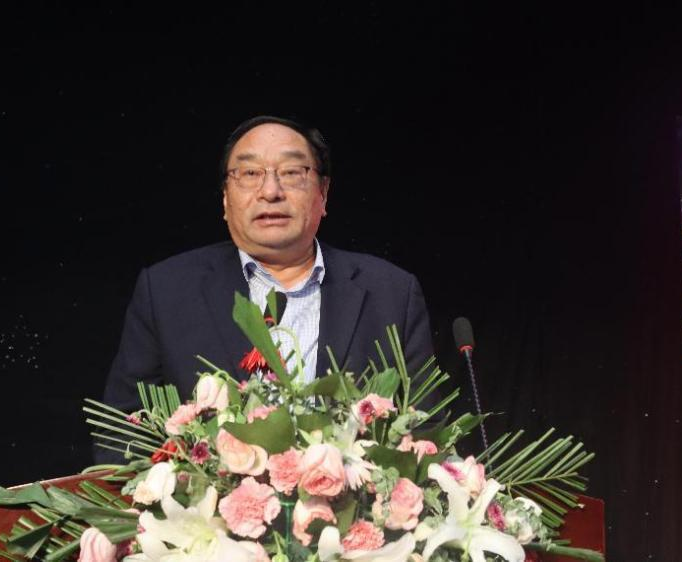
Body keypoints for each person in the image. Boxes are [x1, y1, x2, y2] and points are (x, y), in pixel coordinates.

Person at [96, 116, 434, 463]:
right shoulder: (168, 291)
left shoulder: (391, 294)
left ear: (323, 193)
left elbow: (426, 434)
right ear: (225, 198)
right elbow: (122, 434)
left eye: (292, 172)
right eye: (249, 173)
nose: (271, 191)